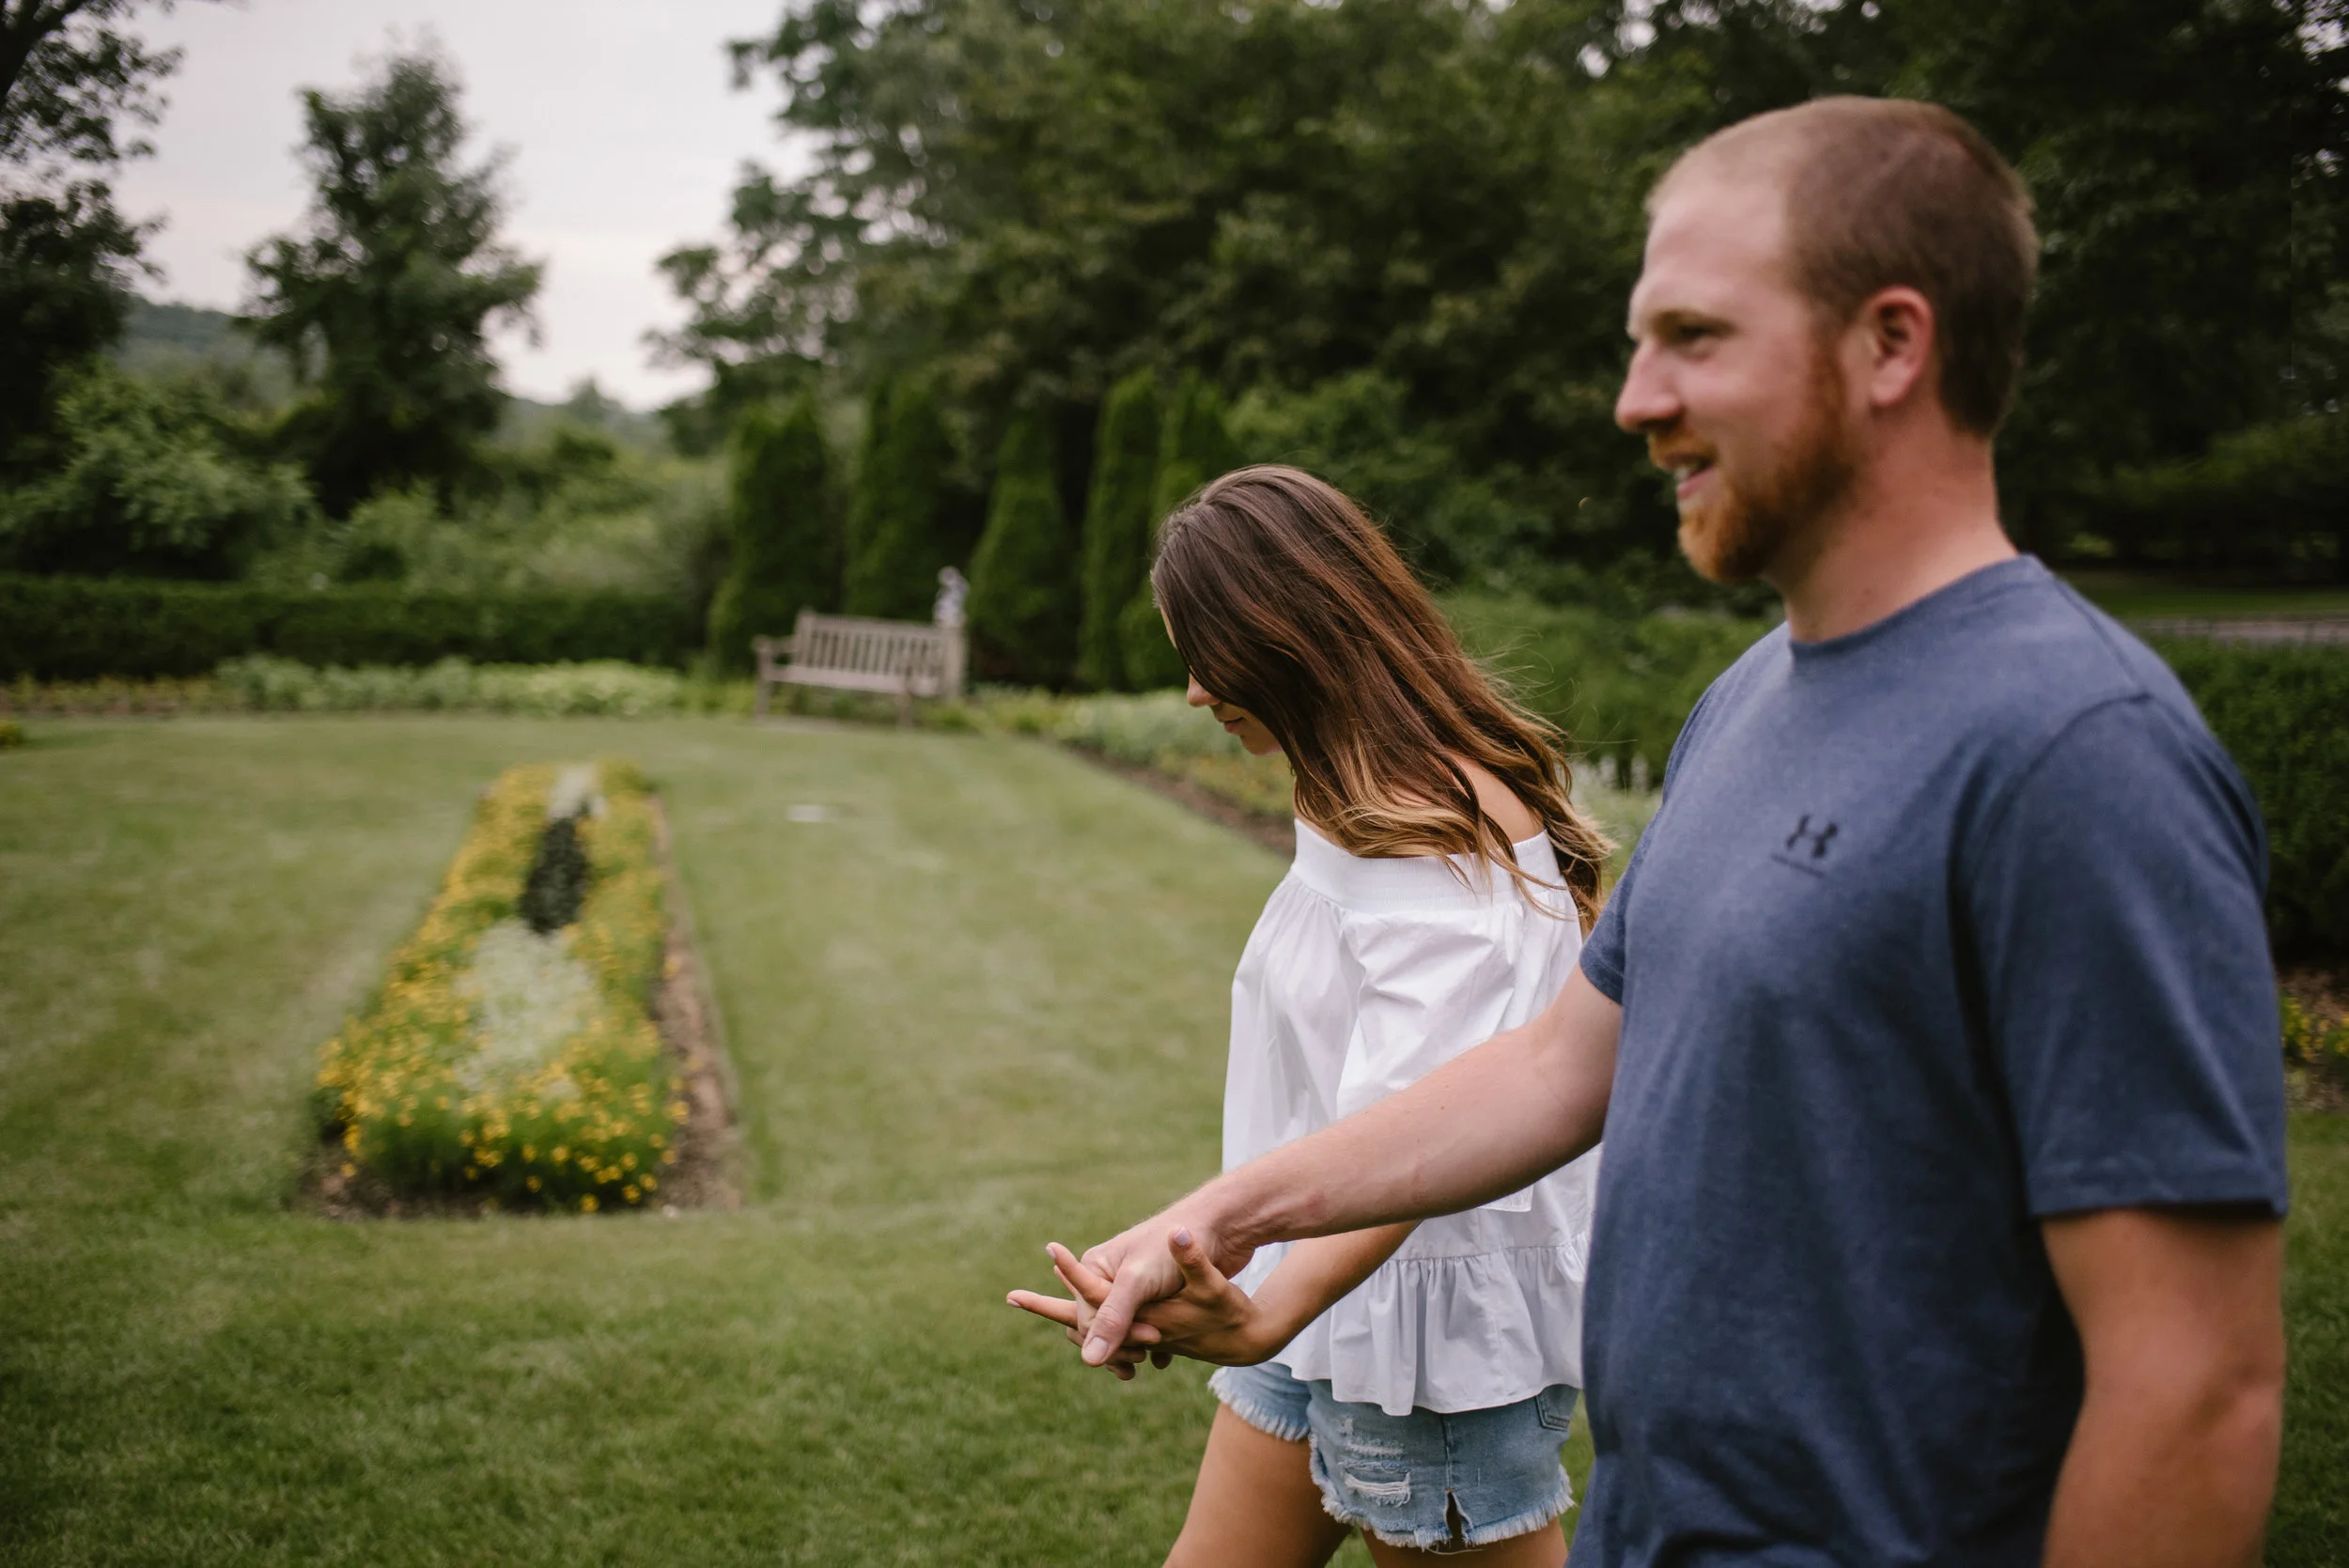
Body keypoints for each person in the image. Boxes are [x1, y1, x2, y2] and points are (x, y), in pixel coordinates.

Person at [1051, 96, 2290, 1567]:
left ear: (1893, 345)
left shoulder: (2078, 757)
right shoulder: (1750, 701)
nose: (1637, 402)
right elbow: (1554, 1067)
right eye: (1641, 343)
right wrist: (1226, 1221)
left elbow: (2194, 1389)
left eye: (1694, 337)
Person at [1012, 464, 1611, 1564]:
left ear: (1287, 637)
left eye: (1209, 655)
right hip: (1314, 1301)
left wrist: (1270, 1306)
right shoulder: (1352, 797)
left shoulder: (1430, 833)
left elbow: (1427, 1141)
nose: (1195, 692)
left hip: (1416, 1353)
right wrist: (1205, 1264)